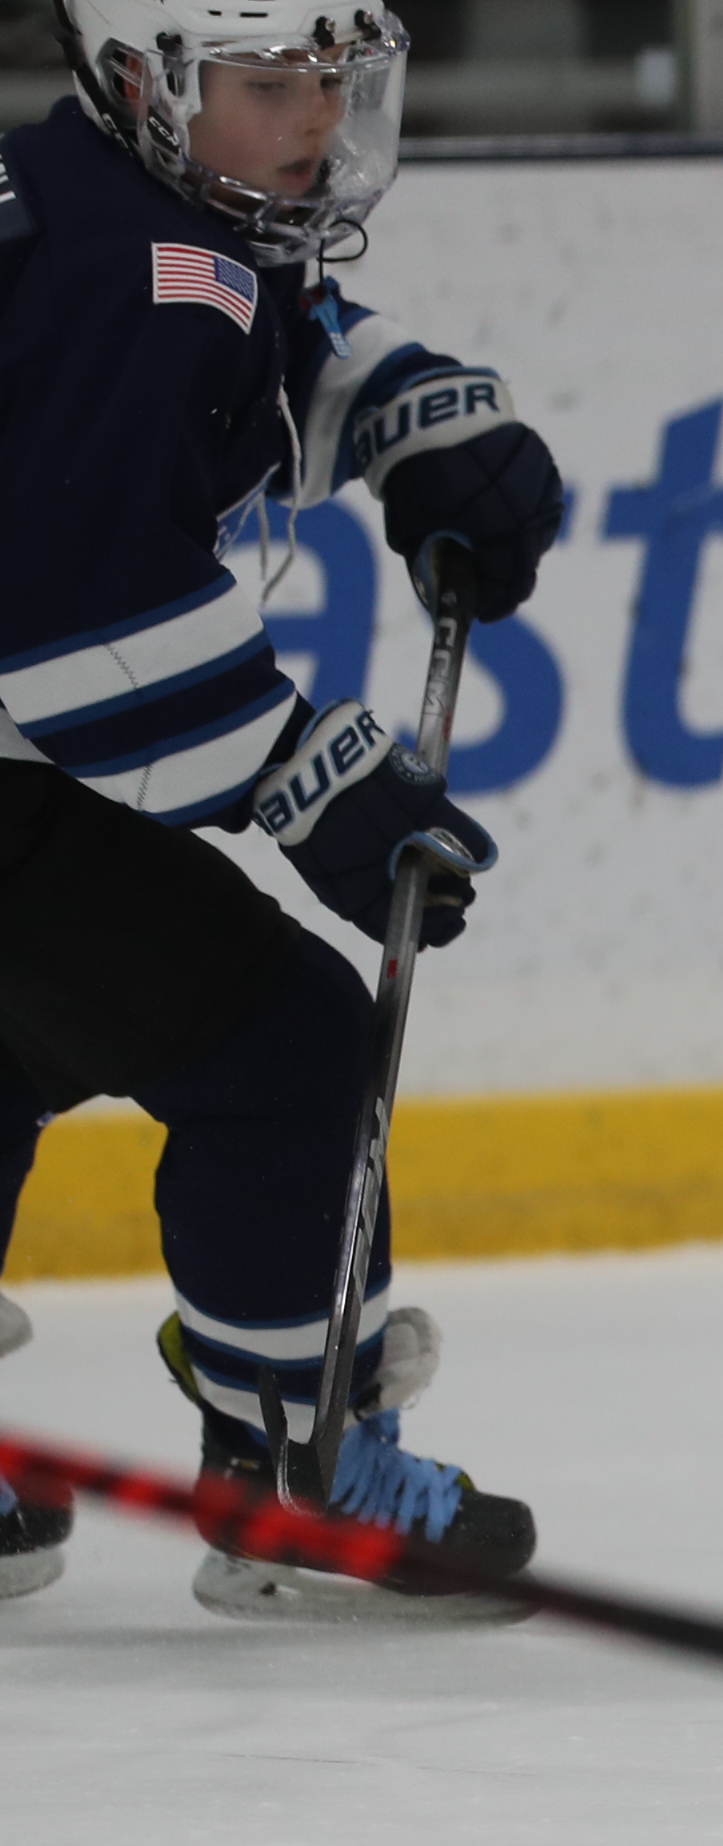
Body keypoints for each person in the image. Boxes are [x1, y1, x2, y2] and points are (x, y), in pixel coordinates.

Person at [0, 0, 564, 1619]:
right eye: (267, 82)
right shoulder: (139, 270)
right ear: (143, 81)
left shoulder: (93, 199)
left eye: (331, 75)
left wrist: (406, 410)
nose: (315, 114)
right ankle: (294, 1466)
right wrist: (299, 775)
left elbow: (263, 344)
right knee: (284, 1054)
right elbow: (73, 615)